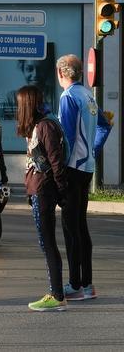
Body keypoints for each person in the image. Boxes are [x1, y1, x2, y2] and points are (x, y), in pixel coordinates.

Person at [55, 54, 108, 301]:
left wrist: (58, 169)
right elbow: (104, 126)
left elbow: (66, 137)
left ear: (61, 73)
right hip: (86, 167)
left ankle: (75, 284)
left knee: (70, 227)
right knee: (81, 227)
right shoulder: (88, 95)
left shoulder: (68, 97)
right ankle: (87, 284)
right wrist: (93, 152)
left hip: (72, 168)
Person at [17, 84, 69, 312]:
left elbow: (56, 163)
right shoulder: (38, 126)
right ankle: (56, 292)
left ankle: (57, 295)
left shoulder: (45, 126)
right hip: (39, 190)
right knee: (45, 243)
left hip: (44, 191)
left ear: (27, 105)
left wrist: (61, 190)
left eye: (20, 104)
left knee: (48, 244)